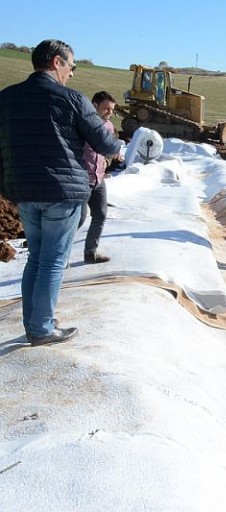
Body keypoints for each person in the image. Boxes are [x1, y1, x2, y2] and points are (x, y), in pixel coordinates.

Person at [0, 39, 124, 346]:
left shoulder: (6, 98)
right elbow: (105, 144)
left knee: (37, 259)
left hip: (23, 191)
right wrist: (118, 146)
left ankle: (36, 321)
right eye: (72, 66)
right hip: (61, 192)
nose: (72, 73)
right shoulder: (71, 99)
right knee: (53, 260)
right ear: (57, 62)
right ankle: (42, 328)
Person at [80, 91, 122, 264]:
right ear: (95, 105)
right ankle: (60, 256)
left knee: (100, 214)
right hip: (82, 178)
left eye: (112, 110)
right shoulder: (82, 124)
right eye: (106, 109)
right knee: (78, 219)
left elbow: (108, 147)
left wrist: (110, 158)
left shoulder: (109, 127)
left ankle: (91, 252)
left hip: (98, 178)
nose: (109, 113)